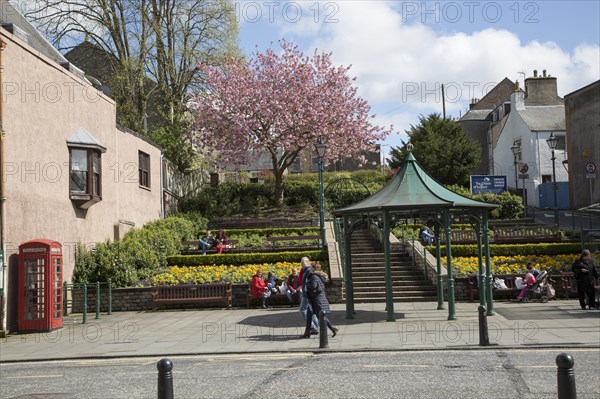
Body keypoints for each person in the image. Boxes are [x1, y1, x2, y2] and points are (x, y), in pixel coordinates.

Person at [302, 262, 339, 338]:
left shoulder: (314, 277)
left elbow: (314, 286)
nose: (309, 269)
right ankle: (307, 332)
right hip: (315, 299)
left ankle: (332, 328)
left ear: (313, 269)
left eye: (311, 268)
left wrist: (307, 283)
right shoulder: (319, 276)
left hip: (316, 300)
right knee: (309, 315)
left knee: (321, 317)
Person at [298, 256, 319, 333]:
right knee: (311, 311)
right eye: (301, 261)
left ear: (308, 262)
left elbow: (310, 282)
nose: (302, 263)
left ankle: (312, 326)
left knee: (302, 310)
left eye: (303, 261)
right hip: (308, 293)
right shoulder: (305, 270)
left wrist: (306, 291)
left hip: (306, 294)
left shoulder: (307, 271)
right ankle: (316, 327)